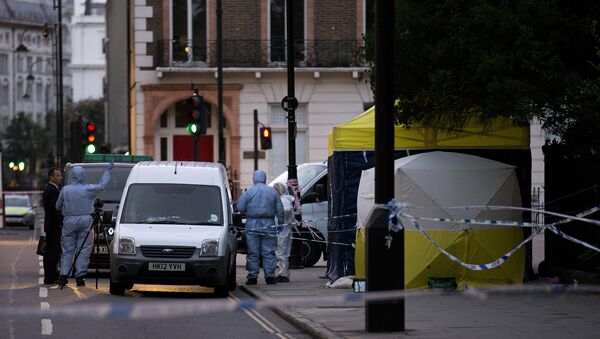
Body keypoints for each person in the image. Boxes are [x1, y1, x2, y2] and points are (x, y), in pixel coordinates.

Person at [56, 161, 113, 287]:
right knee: (84, 249)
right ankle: (80, 276)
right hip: (85, 220)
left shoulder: (65, 190)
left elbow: (58, 206)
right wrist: (108, 171)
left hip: (69, 220)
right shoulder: (88, 189)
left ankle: (63, 275)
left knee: (67, 249)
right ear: (82, 176)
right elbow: (102, 185)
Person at [237, 170, 284, 285]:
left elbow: (241, 208)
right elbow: (280, 210)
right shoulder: (273, 192)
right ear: (264, 178)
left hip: (252, 223)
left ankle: (252, 277)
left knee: (253, 252)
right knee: (269, 251)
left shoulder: (248, 192)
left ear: (254, 179)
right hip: (269, 224)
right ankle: (270, 276)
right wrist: (281, 223)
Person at [42, 168, 63, 285]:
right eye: (58, 175)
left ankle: (50, 275)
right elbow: (56, 210)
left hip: (50, 225)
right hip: (54, 226)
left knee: (50, 251)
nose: (60, 177)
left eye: (60, 175)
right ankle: (50, 276)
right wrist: (61, 222)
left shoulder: (49, 189)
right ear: (51, 177)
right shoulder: (53, 191)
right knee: (53, 252)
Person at [273, 182, 295, 283]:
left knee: (281, 253)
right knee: (283, 253)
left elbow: (286, 210)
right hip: (285, 229)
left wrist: (278, 213)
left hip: (283, 230)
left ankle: (284, 274)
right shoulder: (285, 199)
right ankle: (283, 273)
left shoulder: (284, 200)